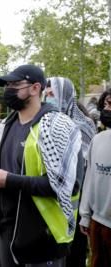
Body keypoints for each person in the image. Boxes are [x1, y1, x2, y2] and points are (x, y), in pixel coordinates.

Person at [0, 64, 82, 266]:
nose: (8, 90)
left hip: (42, 238)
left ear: (35, 88)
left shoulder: (57, 127)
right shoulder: (6, 126)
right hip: (6, 231)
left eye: (15, 84)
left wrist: (10, 180)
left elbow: (66, 186)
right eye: (7, 85)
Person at [45, 77, 97, 267]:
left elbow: (83, 164)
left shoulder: (82, 125)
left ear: (65, 96)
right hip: (52, 197)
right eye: (47, 94)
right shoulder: (45, 123)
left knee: (75, 249)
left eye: (53, 94)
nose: (48, 98)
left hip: (77, 196)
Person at [79, 88, 111, 267]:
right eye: (105, 104)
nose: (106, 109)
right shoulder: (98, 140)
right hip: (98, 222)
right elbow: (90, 179)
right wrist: (85, 215)